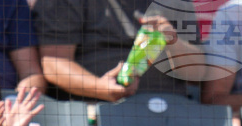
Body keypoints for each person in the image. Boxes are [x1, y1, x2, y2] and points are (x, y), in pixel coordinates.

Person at [33, 0, 203, 102]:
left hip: (170, 115)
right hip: (91, 112)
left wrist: (172, 40)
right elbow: (53, 63)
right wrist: (99, 88)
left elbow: (198, 74)